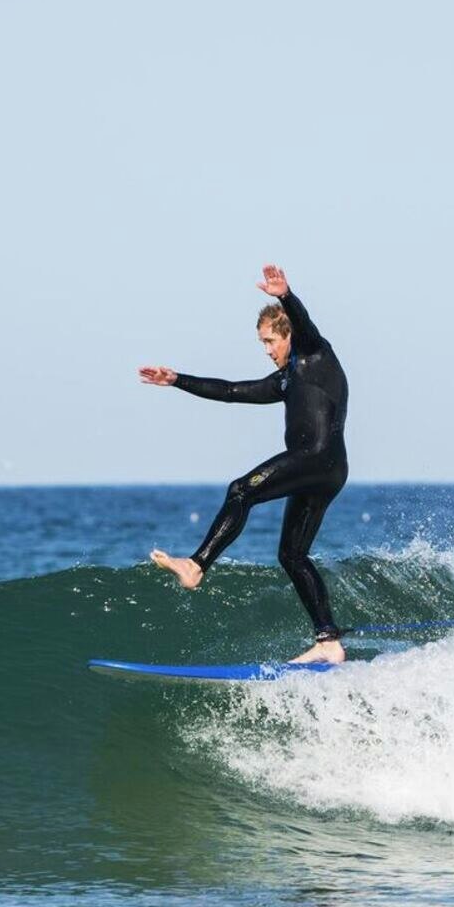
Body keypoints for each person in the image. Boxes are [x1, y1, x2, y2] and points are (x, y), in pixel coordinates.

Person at [139, 264, 350, 664]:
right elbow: (232, 391)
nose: (267, 350)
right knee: (291, 555)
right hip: (327, 470)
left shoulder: (314, 353)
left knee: (241, 490)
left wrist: (285, 295)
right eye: (262, 343)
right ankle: (328, 640)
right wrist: (177, 379)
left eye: (270, 341)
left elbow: (304, 323)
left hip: (316, 458)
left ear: (288, 335)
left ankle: (197, 566)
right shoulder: (285, 379)